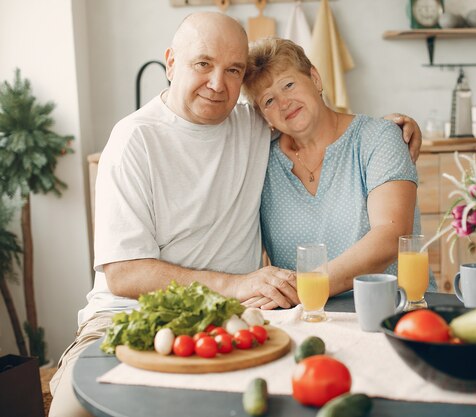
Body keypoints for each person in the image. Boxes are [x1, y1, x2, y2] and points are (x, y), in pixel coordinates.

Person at [48, 12, 422, 417]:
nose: (217, 84)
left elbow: (323, 125)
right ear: (171, 63)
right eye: (202, 64)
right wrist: (236, 284)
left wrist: (389, 130)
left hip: (232, 316)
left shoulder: (254, 124)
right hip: (130, 314)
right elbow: (123, 274)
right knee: (74, 407)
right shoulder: (134, 140)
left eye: (232, 70)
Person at [240, 38, 436, 310]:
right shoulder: (260, 162)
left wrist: (307, 288)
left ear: (315, 79)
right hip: (307, 317)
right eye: (269, 100)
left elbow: (390, 237)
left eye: (289, 84)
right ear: (264, 117)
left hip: (397, 310)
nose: (284, 102)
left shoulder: (379, 138)